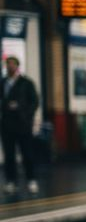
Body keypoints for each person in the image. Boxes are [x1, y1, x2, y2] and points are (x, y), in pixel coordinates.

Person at [1, 56, 40, 195]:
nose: (10, 66)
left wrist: (24, 112)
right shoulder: (2, 82)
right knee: (9, 155)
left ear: (17, 66)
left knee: (27, 154)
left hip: (23, 124)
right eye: (8, 64)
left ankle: (31, 180)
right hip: (6, 125)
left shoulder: (26, 83)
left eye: (13, 64)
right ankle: (11, 182)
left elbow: (35, 101)